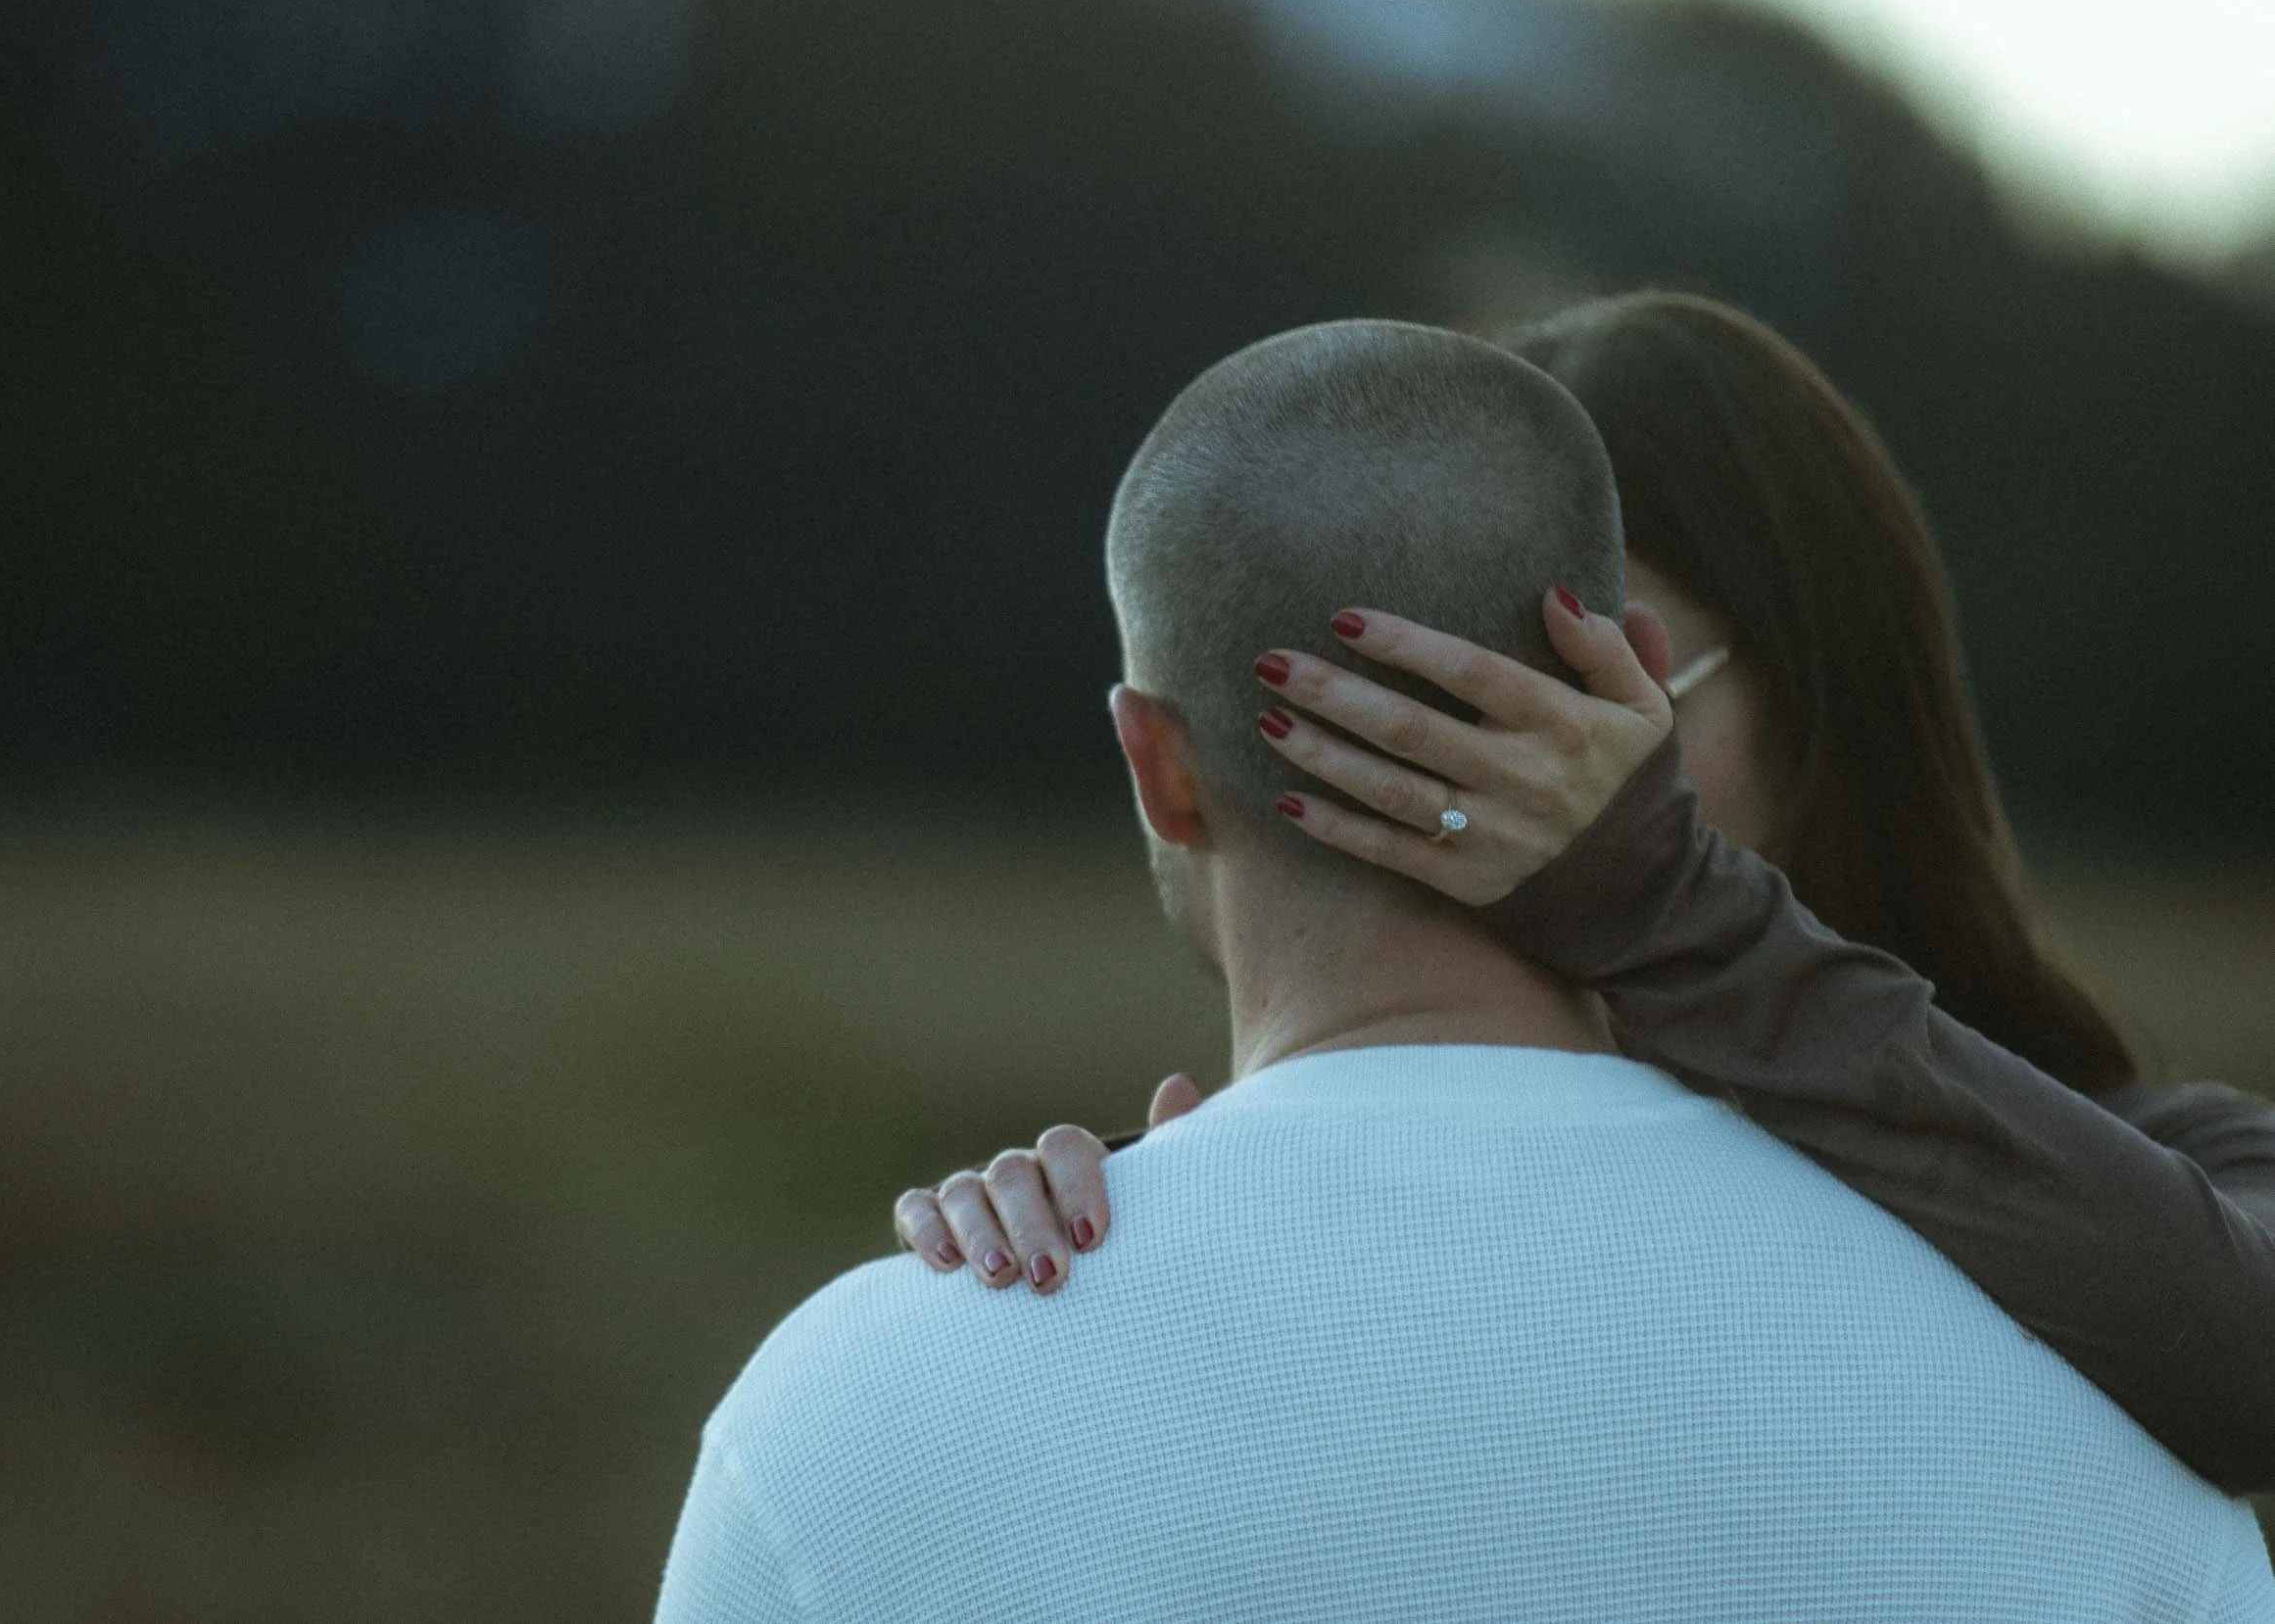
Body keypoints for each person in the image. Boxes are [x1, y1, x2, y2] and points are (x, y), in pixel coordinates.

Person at [656, 319, 2275, 1621]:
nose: (1503, 773)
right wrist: (1149, 1212)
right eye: (1391, 689)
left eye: (1566, 700)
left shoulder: (2137, 1219)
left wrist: (1672, 901)